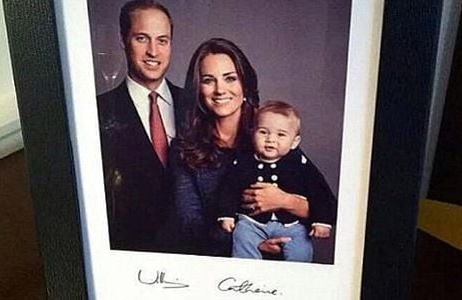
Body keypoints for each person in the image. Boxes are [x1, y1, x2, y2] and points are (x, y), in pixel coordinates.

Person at [169, 38, 315, 257]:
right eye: (209, 80)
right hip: (216, 265)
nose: (220, 90)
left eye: (230, 78)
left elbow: (322, 205)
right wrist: (248, 241)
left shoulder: (271, 133)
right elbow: (190, 225)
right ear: (198, 89)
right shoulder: (184, 147)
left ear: (244, 84)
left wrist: (285, 200)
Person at [96, 0, 191, 251]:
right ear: (122, 40)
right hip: (134, 258)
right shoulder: (97, 112)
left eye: (162, 40)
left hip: (198, 258)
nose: (153, 51)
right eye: (141, 38)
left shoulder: (197, 107)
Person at [217, 101, 337, 262]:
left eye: (280, 135)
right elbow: (228, 189)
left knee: (301, 248)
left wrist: (322, 221)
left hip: (291, 226)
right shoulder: (243, 161)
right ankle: (245, 275)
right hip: (252, 223)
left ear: (294, 142)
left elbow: (319, 192)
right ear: (253, 134)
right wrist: (226, 215)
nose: (270, 140)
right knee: (242, 236)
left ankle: (296, 277)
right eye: (263, 132)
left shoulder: (299, 163)